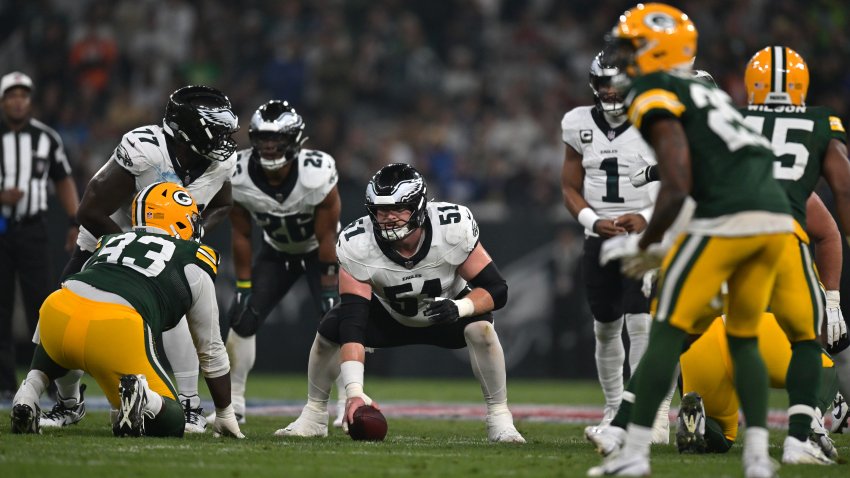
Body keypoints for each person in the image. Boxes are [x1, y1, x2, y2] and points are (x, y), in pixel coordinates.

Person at [587, 4, 796, 477]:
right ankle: (760, 459)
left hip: (729, 215)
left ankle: (635, 454)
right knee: (742, 337)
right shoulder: (708, 91)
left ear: (653, 48)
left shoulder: (652, 91)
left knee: (667, 328)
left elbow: (678, 182)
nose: (621, 55)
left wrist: (648, 243)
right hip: (774, 214)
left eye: (630, 44)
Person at [276, 163, 525, 443]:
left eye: (397, 208)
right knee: (330, 330)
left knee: (482, 329)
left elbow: (496, 289)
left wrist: (459, 307)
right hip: (389, 316)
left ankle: (500, 418)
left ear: (418, 206)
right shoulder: (358, 243)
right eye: (381, 210)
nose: (388, 218)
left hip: (445, 313)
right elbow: (353, 323)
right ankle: (314, 416)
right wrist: (355, 392)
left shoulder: (452, 227)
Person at [40, 85, 238, 433]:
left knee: (187, 314)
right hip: (106, 240)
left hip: (165, 248)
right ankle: (68, 403)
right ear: (187, 132)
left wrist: (196, 229)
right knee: (62, 314)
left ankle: (190, 404)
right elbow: (90, 210)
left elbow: (223, 203)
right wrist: (134, 249)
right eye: (215, 131)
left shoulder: (220, 162)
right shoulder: (146, 150)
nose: (224, 141)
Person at [10, 182, 244, 439]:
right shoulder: (192, 259)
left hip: (58, 310)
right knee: (173, 418)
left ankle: (29, 392)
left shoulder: (111, 240)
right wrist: (224, 413)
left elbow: (80, 285)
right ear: (179, 220)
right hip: (116, 329)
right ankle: (146, 400)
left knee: (64, 324)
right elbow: (211, 351)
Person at [207, 99, 345, 425]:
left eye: (277, 139)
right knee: (242, 317)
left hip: (319, 252)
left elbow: (327, 237)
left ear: (295, 140)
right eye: (263, 139)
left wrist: (328, 285)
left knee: (339, 321)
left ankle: (350, 401)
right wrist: (243, 286)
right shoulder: (238, 173)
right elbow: (241, 235)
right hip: (277, 251)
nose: (269, 146)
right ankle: (233, 404)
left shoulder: (317, 171)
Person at [560, 53, 670, 442]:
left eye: (618, 82)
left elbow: (680, 178)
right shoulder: (577, 123)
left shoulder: (656, 121)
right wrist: (592, 221)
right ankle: (614, 410)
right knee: (606, 327)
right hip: (599, 239)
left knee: (642, 323)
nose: (610, 90)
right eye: (603, 82)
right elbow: (570, 186)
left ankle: (651, 415)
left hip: (646, 238)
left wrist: (649, 216)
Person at [0, 71, 79, 400]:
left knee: (43, 308)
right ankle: (4, 384)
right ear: (3, 101)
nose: (18, 100)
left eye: (23, 95)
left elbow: (63, 179)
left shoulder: (47, 138)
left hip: (33, 229)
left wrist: (75, 220)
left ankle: (46, 382)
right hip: (1, 230)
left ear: (29, 101)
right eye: (12, 95)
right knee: (0, 308)